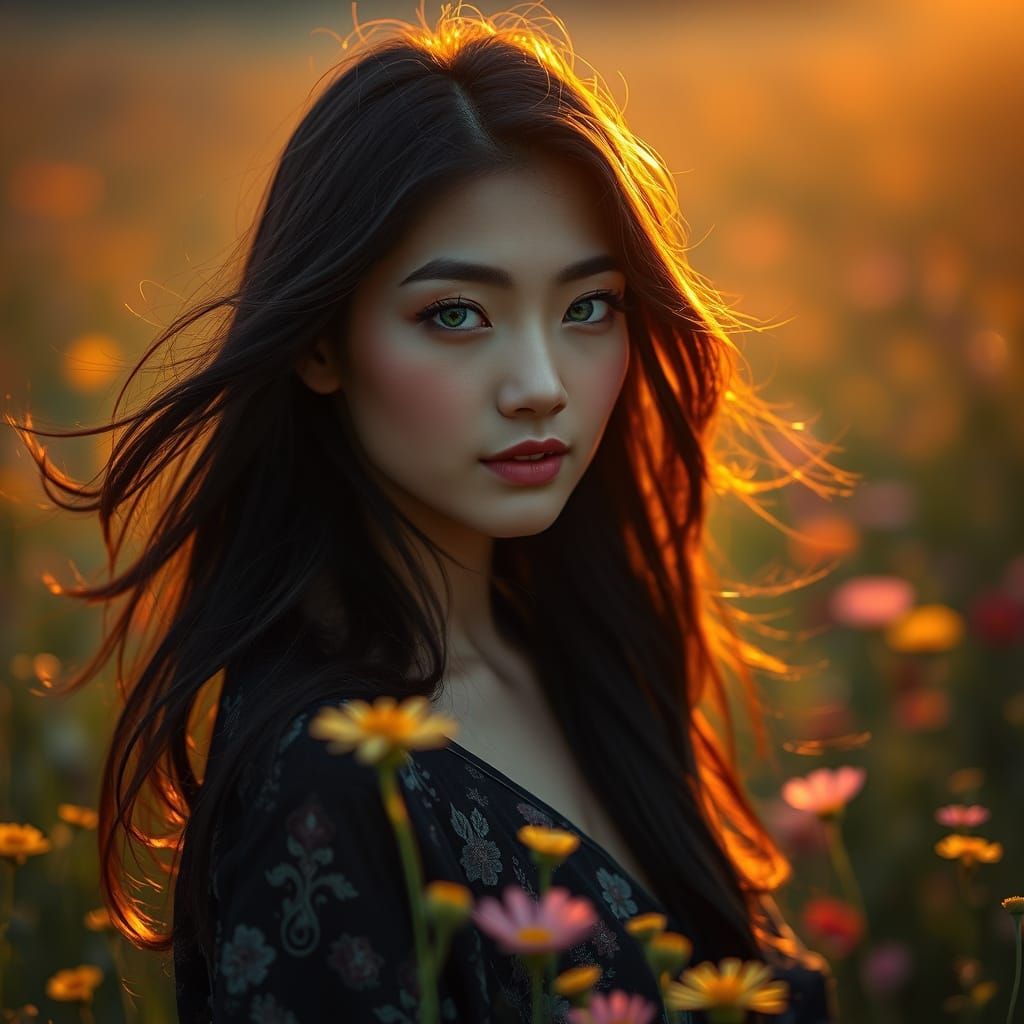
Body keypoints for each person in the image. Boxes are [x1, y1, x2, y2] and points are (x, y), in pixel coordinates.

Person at [10, 4, 849, 1021]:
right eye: (456, 314)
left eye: (589, 306)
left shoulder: (590, 651)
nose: (541, 383)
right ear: (320, 344)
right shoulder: (326, 784)